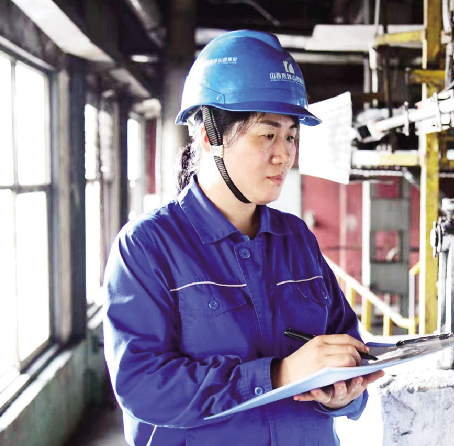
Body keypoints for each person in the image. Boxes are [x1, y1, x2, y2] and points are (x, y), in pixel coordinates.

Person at [103, 30, 384, 446]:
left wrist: (343, 392)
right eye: (267, 134)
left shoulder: (296, 239)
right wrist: (278, 375)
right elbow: (143, 385)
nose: (284, 155)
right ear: (209, 137)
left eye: (291, 136)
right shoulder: (147, 248)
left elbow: (346, 345)